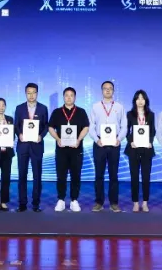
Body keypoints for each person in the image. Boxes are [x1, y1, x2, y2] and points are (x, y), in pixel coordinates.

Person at [48, 87, 89, 212]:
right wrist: (57, 139)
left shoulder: (81, 112)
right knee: (61, 175)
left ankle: (74, 200)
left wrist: (79, 140)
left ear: (75, 97)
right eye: (67, 95)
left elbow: (86, 127)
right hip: (61, 149)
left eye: (71, 95)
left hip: (76, 149)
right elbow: (50, 127)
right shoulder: (57, 112)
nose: (69, 97)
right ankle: (61, 200)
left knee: (76, 175)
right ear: (63, 97)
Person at [90, 80, 128, 212]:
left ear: (113, 91)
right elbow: (91, 126)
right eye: (105, 88)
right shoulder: (95, 107)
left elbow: (124, 126)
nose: (107, 90)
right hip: (99, 143)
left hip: (114, 143)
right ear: (102, 91)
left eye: (110, 88)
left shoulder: (119, 107)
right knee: (98, 175)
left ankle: (114, 203)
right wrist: (96, 139)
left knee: (114, 174)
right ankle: (99, 202)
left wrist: (119, 139)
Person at [14, 83, 49, 212]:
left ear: (37, 93)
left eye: (34, 92)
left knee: (37, 176)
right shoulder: (19, 108)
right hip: (23, 146)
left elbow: (46, 126)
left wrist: (41, 136)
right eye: (29, 93)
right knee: (22, 176)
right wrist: (19, 134)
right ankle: (22, 204)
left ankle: (36, 204)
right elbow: (16, 125)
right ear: (25, 94)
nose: (31, 95)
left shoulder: (43, 108)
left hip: (37, 146)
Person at [125, 89, 156, 213]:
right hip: (133, 149)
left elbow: (152, 130)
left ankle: (145, 202)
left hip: (146, 149)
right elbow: (126, 130)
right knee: (134, 177)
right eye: (138, 98)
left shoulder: (151, 115)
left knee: (146, 177)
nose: (140, 100)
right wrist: (130, 141)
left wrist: (150, 141)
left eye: (143, 98)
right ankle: (135, 203)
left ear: (146, 100)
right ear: (135, 100)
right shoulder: (130, 114)